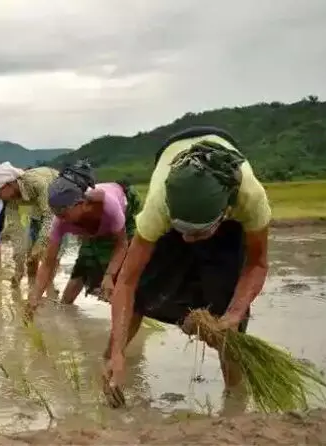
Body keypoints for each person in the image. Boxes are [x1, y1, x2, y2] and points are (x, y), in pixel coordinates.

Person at [102, 126, 271, 405]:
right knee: (144, 290)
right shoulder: (160, 205)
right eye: (182, 231)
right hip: (173, 186)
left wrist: (234, 314)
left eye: (198, 233)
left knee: (230, 311)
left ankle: (234, 398)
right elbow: (127, 281)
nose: (187, 240)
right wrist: (117, 352)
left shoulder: (249, 199)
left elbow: (257, 264)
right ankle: (110, 363)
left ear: (224, 213)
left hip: (222, 203)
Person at [25, 161, 142, 316]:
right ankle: (66, 313)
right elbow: (48, 262)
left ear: (82, 203)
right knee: (83, 267)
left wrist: (109, 275)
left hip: (123, 215)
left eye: (64, 213)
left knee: (125, 274)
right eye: (56, 213)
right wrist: (35, 296)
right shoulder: (60, 220)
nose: (61, 219)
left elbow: (122, 244)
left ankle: (133, 314)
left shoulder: (109, 206)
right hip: (91, 228)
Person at [0, 162, 62, 296]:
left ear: (9, 184)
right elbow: (17, 232)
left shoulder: (37, 183)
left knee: (50, 252)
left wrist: (40, 245)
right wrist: (18, 268)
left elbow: (50, 217)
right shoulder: (11, 198)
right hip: (37, 211)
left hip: (59, 204)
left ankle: (50, 290)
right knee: (29, 254)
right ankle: (32, 287)